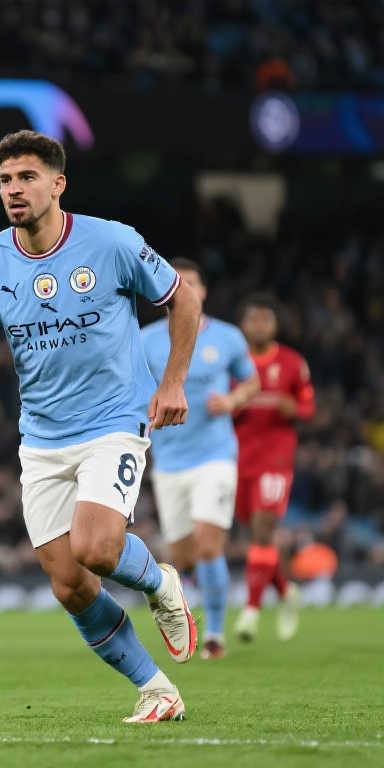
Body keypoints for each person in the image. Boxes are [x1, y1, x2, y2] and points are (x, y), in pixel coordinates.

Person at [0, 129, 202, 723]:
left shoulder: (111, 241)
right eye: (5, 180)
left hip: (114, 419)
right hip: (42, 437)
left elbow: (182, 300)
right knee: (70, 584)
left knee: (96, 548)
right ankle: (157, 691)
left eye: (27, 177)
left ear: (58, 184)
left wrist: (173, 382)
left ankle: (161, 585)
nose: (14, 189)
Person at [141, 259, 260, 660]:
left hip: (215, 456)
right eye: (177, 284)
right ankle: (190, 598)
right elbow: (132, 388)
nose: (184, 290)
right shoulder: (145, 341)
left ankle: (215, 634)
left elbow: (251, 381)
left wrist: (232, 400)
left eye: (191, 284)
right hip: (169, 461)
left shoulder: (227, 337)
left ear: (203, 291)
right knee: (184, 557)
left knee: (209, 545)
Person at [232, 293, 314, 643]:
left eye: (266, 319)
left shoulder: (292, 362)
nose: (260, 325)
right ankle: (285, 591)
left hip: (276, 458)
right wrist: (235, 404)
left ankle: (251, 611)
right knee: (255, 535)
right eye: (254, 319)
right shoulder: (233, 362)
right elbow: (218, 404)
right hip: (237, 458)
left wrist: (293, 408)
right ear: (242, 325)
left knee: (263, 529)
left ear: (276, 324)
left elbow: (309, 407)